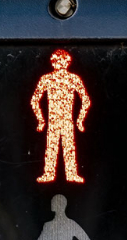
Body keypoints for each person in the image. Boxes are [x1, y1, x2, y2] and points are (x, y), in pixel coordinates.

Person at [30, 49, 91, 183]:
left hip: (67, 120)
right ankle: (49, 174)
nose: (60, 64)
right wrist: (41, 120)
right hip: (53, 120)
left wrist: (80, 120)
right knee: (51, 148)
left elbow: (86, 100)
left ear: (68, 62)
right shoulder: (46, 79)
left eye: (63, 61)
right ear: (53, 62)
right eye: (57, 61)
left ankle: (71, 174)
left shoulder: (74, 79)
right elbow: (34, 100)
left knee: (69, 147)